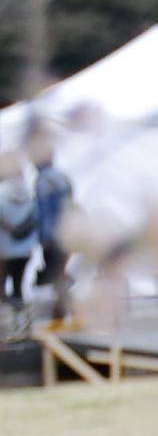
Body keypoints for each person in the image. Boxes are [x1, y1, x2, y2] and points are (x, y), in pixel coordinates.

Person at [27, 130, 72, 318]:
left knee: (56, 273)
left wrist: (43, 237)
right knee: (60, 270)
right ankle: (64, 310)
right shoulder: (62, 177)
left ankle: (62, 311)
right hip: (68, 231)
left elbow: (43, 211)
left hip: (53, 235)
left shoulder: (43, 180)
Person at [0, 154, 36, 308]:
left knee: (1, 292)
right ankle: (21, 321)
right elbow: (36, 218)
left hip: (3, 250)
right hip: (25, 249)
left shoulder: (1, 192)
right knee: (18, 289)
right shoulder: (28, 192)